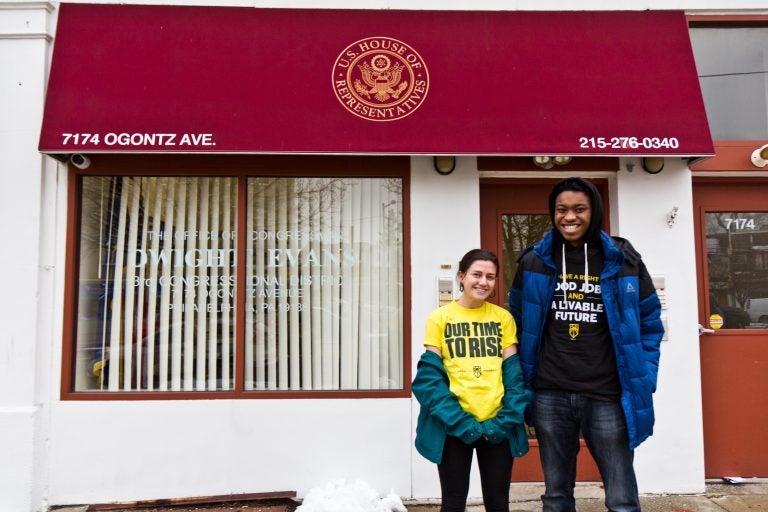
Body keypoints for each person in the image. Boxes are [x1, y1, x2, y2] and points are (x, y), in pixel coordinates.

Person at [508, 177, 664, 512]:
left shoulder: (623, 261)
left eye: (579, 209)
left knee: (621, 498)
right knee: (556, 496)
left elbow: (651, 323)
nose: (569, 217)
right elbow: (516, 325)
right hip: (550, 393)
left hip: (607, 395)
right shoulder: (534, 262)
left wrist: (645, 374)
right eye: (561, 209)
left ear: (594, 211)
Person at [412, 249, 529, 512]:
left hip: (497, 426)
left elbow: (513, 375)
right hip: (454, 426)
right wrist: (461, 422)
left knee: (498, 503)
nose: (483, 282)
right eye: (477, 274)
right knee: (453, 503)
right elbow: (430, 379)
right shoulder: (440, 318)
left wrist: (504, 420)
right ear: (461, 277)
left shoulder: (503, 318)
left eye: (490, 276)